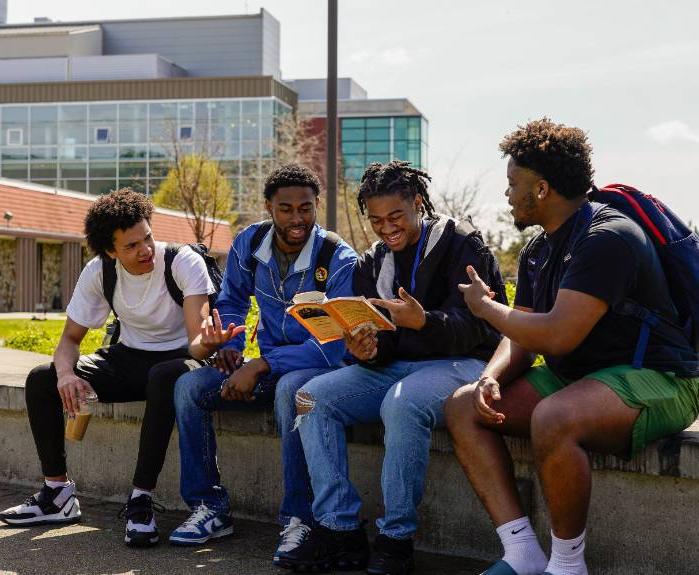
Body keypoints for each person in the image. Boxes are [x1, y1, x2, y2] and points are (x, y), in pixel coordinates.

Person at [446, 118, 699, 575]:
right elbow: (520, 334)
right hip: (582, 379)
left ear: (541, 189)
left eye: (512, 184)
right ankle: (522, 553)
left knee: (555, 416)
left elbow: (559, 334)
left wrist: (484, 308)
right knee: (465, 406)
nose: (507, 195)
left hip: (659, 378)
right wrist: (490, 376)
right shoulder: (537, 252)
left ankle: (566, 566)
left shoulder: (608, 237)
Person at [278, 161, 507, 574]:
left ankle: (395, 540)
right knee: (313, 397)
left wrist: (424, 321)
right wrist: (366, 349)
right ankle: (338, 531)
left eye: (396, 216)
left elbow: (482, 325)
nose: (386, 228)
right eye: (377, 220)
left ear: (418, 203)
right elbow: (386, 343)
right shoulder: (372, 262)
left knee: (401, 405)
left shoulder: (462, 244)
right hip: (401, 367)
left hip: (464, 364)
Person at [0, 188, 224, 547]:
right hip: (128, 358)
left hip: (179, 360)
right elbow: (69, 341)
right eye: (131, 246)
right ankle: (57, 494)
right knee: (42, 377)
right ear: (110, 251)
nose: (145, 250)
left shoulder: (183, 262)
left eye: (147, 237)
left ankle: (140, 500)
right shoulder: (99, 271)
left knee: (165, 375)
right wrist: (67, 375)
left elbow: (197, 341)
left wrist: (210, 344)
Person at [168, 164, 357, 559]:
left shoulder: (337, 257)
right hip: (264, 364)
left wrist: (260, 366)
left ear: (317, 204)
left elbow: (334, 343)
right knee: (190, 386)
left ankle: (299, 519)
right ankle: (210, 507)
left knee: (292, 389)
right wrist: (231, 343)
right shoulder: (249, 242)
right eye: (285, 208)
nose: (297, 218)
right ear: (268, 206)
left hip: (316, 370)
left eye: (305, 208)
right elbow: (232, 300)